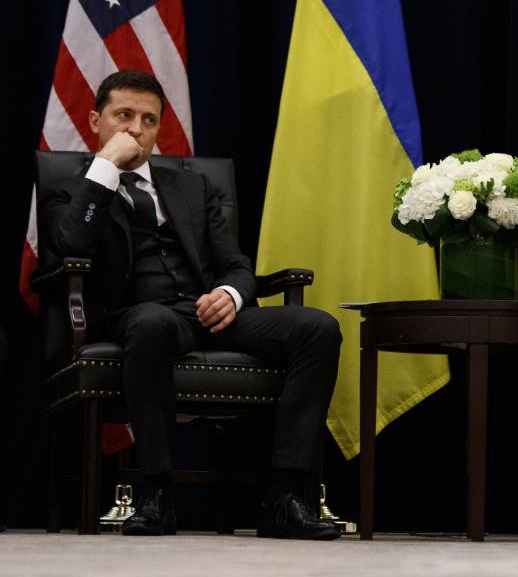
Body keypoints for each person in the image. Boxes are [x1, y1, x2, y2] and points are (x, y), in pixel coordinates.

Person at [40, 70, 343, 539]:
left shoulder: (191, 187)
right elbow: (67, 245)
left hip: (207, 313)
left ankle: (283, 496)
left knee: (317, 327)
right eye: (124, 117)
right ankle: (156, 493)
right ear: (95, 120)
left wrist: (232, 294)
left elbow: (236, 263)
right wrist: (105, 167)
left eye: (149, 120)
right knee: (152, 323)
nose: (136, 130)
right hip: (139, 316)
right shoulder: (73, 188)